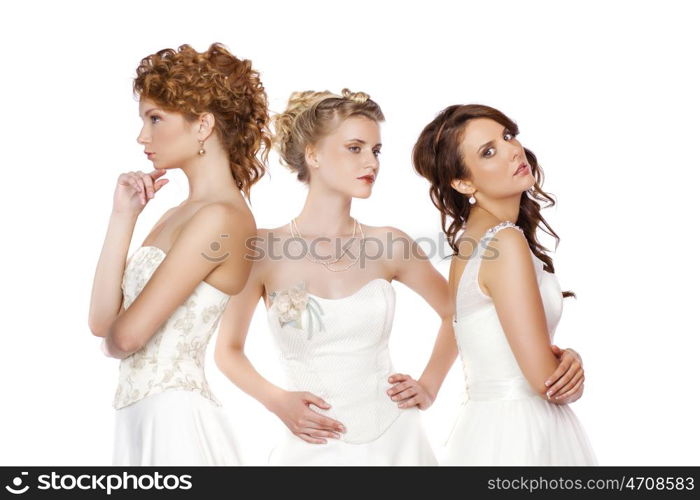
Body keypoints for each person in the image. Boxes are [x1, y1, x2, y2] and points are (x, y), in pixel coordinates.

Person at [214, 89, 442, 465]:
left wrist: (430, 385)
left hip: (396, 444)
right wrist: (277, 402)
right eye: (355, 147)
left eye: (376, 150)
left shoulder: (390, 244)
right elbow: (228, 351)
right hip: (312, 445)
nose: (371, 161)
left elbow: (461, 311)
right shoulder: (262, 250)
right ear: (313, 154)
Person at [87, 43, 270, 465]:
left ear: (203, 124)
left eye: (156, 119)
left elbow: (126, 336)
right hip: (140, 416)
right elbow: (103, 323)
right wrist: (123, 216)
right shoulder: (178, 213)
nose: (142, 136)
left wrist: (116, 342)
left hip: (174, 423)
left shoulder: (222, 218)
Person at [412, 103, 597, 465]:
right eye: (488, 151)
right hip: (524, 434)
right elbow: (546, 382)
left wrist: (428, 386)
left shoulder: (471, 241)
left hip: (486, 429)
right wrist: (570, 365)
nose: (514, 150)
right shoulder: (504, 242)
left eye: (508, 136)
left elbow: (457, 320)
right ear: (463, 182)